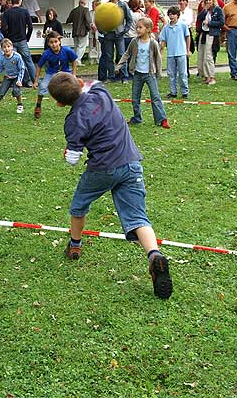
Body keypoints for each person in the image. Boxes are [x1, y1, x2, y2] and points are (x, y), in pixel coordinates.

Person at [47, 72, 173, 300]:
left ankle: (75, 246)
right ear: (78, 82)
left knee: (78, 206)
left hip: (102, 169)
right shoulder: (101, 92)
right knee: (137, 217)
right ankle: (154, 255)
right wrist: (74, 80)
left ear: (59, 103)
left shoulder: (73, 120)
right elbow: (90, 82)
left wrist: (67, 153)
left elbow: (72, 159)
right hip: (131, 163)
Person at [115, 17, 170, 128]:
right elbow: (126, 54)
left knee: (155, 97)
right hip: (137, 74)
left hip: (149, 74)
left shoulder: (153, 43)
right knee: (135, 98)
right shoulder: (134, 42)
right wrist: (119, 66)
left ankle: (162, 119)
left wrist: (159, 73)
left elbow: (158, 58)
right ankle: (137, 118)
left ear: (148, 29)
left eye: (140, 27)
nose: (138, 29)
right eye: (137, 27)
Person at [34, 31, 77, 120]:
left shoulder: (67, 50)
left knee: (74, 88)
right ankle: (38, 105)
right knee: (42, 86)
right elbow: (39, 66)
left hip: (65, 72)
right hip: (51, 73)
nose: (54, 45)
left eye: (55, 42)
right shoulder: (46, 53)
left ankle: (76, 109)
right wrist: (36, 81)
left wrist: (74, 74)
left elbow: (74, 60)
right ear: (48, 43)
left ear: (59, 41)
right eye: (51, 42)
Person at [98, 0, 132, 82]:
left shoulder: (123, 5)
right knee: (109, 56)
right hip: (108, 34)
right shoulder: (106, 6)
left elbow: (129, 20)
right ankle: (111, 77)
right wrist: (102, 31)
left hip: (119, 34)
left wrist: (124, 30)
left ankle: (124, 77)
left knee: (122, 55)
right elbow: (100, 20)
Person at [1, 0, 36, 86]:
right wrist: (26, 38)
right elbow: (31, 27)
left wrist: (7, 37)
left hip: (11, 40)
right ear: (20, 1)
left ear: (11, 2)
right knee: (28, 61)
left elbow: (3, 28)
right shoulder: (24, 12)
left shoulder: (7, 13)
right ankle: (34, 81)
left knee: (14, 62)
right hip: (22, 39)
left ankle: (15, 82)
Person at [160, 6, 191, 99]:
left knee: (183, 73)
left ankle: (185, 91)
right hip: (171, 54)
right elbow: (163, 40)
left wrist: (187, 50)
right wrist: (161, 48)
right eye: (170, 14)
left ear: (177, 15)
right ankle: (173, 91)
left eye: (173, 14)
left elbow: (187, 37)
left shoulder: (183, 25)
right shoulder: (166, 28)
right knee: (171, 74)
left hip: (181, 53)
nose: (171, 16)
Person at [0, 38, 25, 114]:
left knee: (16, 91)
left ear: (12, 47)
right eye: (4, 47)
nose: (6, 49)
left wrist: (19, 80)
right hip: (8, 77)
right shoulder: (2, 58)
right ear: (2, 49)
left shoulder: (17, 57)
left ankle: (20, 105)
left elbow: (22, 69)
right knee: (1, 92)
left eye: (8, 46)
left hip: (16, 77)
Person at [197, 0, 224, 85]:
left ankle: (212, 77)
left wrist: (210, 23)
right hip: (203, 34)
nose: (208, 2)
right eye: (207, 0)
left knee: (208, 56)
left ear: (213, 1)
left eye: (210, 0)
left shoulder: (218, 10)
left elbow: (221, 22)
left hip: (211, 34)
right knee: (201, 55)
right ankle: (206, 76)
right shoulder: (206, 10)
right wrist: (204, 9)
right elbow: (199, 18)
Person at [65, 0, 92, 65]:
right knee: (81, 47)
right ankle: (77, 61)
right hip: (83, 32)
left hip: (75, 32)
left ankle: (74, 60)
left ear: (79, 3)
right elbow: (88, 20)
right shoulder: (86, 10)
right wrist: (89, 29)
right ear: (84, 3)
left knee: (76, 46)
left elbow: (68, 20)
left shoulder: (74, 10)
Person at [178, 0, 195, 77]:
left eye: (183, 0)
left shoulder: (189, 11)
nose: (182, 2)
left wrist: (182, 23)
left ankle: (186, 71)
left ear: (186, 2)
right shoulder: (177, 12)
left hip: (186, 32)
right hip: (178, 33)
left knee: (186, 51)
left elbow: (188, 21)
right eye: (180, 1)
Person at [89, 0, 101, 65]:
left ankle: (98, 59)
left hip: (98, 32)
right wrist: (91, 25)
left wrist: (97, 27)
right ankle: (91, 59)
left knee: (98, 46)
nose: (92, 6)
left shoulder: (101, 12)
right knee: (91, 46)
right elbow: (88, 21)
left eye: (93, 5)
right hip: (91, 31)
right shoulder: (90, 12)